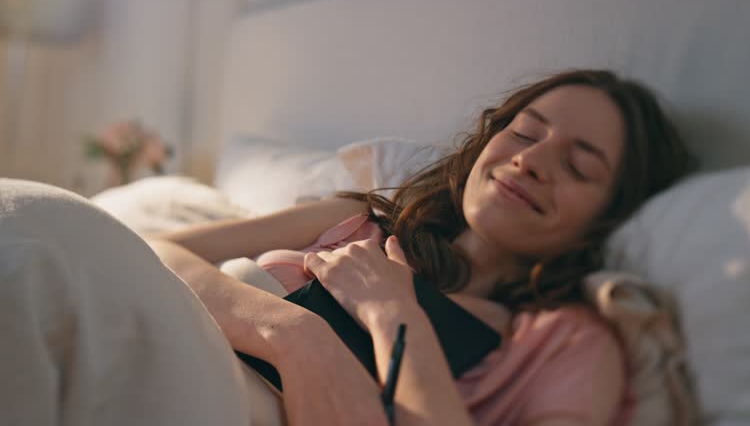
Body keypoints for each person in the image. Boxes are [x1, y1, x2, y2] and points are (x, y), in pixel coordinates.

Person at [0, 69, 695, 426]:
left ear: (610, 216)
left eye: (579, 165)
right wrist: (297, 336)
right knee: (43, 237)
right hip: (181, 333)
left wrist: (395, 315)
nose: (532, 160)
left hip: (234, 401)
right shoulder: (364, 220)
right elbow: (150, 250)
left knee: (35, 249)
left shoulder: (568, 340)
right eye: (524, 131)